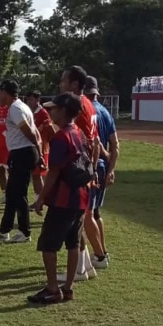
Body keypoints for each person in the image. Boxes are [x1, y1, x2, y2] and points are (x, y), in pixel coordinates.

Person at [29, 92, 90, 304]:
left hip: (62, 200)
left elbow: (54, 172)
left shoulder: (60, 137)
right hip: (81, 197)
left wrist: (40, 199)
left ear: (63, 111)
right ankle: (68, 288)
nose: (50, 111)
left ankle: (53, 288)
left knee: (48, 245)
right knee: (73, 243)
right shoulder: (79, 132)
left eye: (53, 108)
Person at [56, 66, 106, 283]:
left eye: (63, 81)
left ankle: (78, 270)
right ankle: (84, 266)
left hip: (78, 171)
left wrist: (87, 172)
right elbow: (95, 142)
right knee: (81, 218)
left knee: (77, 220)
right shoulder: (88, 104)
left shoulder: (77, 106)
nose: (60, 84)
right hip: (85, 169)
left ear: (74, 84)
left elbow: (87, 142)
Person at [0, 80, 42, 243]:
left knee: (18, 194)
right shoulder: (20, 107)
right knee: (11, 193)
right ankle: (4, 230)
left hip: (22, 153)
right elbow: (35, 131)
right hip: (21, 153)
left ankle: (25, 232)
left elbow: (30, 132)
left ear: (6, 92)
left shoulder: (16, 108)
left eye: (0, 92)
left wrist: (38, 152)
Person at [85, 76, 119, 264]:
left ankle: (99, 256)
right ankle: (103, 252)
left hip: (93, 167)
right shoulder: (106, 112)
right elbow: (116, 145)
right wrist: (111, 169)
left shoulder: (88, 112)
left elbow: (96, 144)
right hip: (104, 168)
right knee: (96, 212)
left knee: (86, 213)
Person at [27, 91, 56, 206]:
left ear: (37, 100)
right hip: (33, 147)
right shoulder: (30, 112)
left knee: (37, 175)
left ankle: (41, 200)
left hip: (41, 148)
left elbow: (50, 129)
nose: (29, 102)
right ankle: (41, 199)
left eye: (31, 100)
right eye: (28, 100)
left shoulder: (43, 113)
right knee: (36, 175)